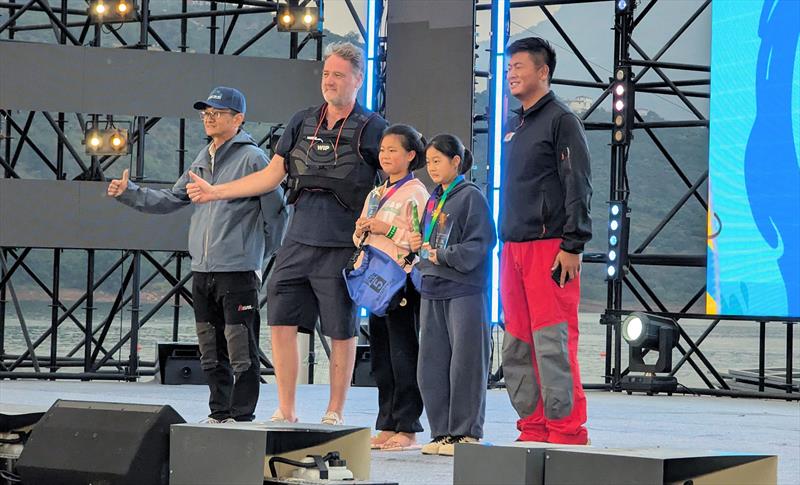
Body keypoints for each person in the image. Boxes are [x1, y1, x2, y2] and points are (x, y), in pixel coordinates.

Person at [185, 42, 388, 425]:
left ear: (358, 79)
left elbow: (390, 184)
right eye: (326, 73)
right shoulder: (302, 120)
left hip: (342, 243)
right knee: (280, 320)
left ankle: (335, 410)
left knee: (341, 329)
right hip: (298, 241)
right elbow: (270, 176)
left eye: (339, 74)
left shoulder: (374, 127)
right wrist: (216, 191)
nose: (330, 81)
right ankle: (287, 408)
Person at [107, 86, 287, 422]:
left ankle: (242, 415)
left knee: (241, 349)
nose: (209, 118)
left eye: (216, 113)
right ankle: (219, 413)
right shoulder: (202, 157)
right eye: (206, 113)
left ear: (238, 119)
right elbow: (174, 199)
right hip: (204, 269)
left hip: (239, 269)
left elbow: (276, 210)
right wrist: (128, 193)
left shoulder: (253, 158)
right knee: (209, 349)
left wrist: (259, 255)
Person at [500, 37, 593, 445]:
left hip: (550, 247)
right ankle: (533, 426)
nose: (512, 74)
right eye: (508, 68)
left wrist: (572, 244)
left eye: (520, 66)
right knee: (517, 343)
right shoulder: (514, 124)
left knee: (552, 342)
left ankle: (566, 431)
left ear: (543, 72)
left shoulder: (561, 120)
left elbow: (578, 183)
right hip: (513, 248)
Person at [410, 134, 496, 457]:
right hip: (432, 287)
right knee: (430, 364)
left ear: (456, 162)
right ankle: (442, 431)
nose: (431, 167)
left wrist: (443, 255)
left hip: (464, 289)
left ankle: (466, 432)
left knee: (466, 361)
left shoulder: (471, 196)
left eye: (437, 161)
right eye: (428, 161)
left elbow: (482, 243)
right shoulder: (434, 198)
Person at [353, 124, 429, 450]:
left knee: (404, 354)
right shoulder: (375, 193)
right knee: (381, 357)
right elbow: (358, 239)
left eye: (393, 150)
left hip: (402, 281)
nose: (385, 156)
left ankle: (408, 426)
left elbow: (421, 244)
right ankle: (386, 423)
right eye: (383, 150)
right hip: (375, 282)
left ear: (411, 155)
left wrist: (386, 229)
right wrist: (362, 230)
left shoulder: (417, 194)